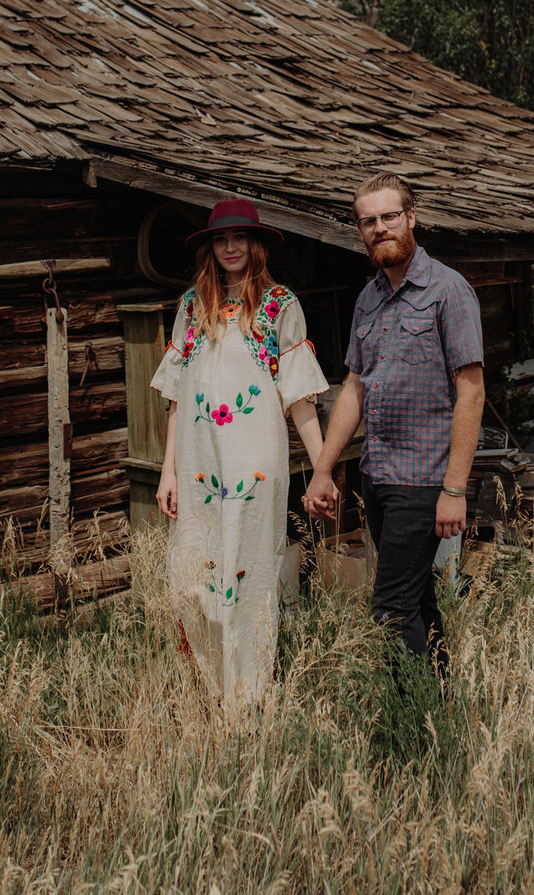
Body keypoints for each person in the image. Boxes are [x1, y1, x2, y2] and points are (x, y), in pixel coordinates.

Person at [303, 171, 485, 673]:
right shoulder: (369, 298)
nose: (379, 228)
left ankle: (407, 725)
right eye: (368, 221)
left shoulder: (449, 291)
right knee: (416, 598)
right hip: (377, 476)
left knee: (390, 608)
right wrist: (323, 469)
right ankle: (439, 707)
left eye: (388, 217)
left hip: (423, 478)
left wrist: (455, 488)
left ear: (410, 217)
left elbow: (471, 393)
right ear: (360, 231)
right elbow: (355, 389)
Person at [153, 198, 327, 702]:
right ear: (210, 247)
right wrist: (169, 472)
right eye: (220, 238)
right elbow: (175, 398)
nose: (231, 247)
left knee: (248, 571)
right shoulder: (191, 306)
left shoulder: (278, 305)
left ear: (256, 245)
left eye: (240, 237)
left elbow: (299, 399)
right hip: (198, 462)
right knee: (193, 570)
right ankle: (208, 688)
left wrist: (322, 469)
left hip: (254, 461)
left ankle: (248, 696)